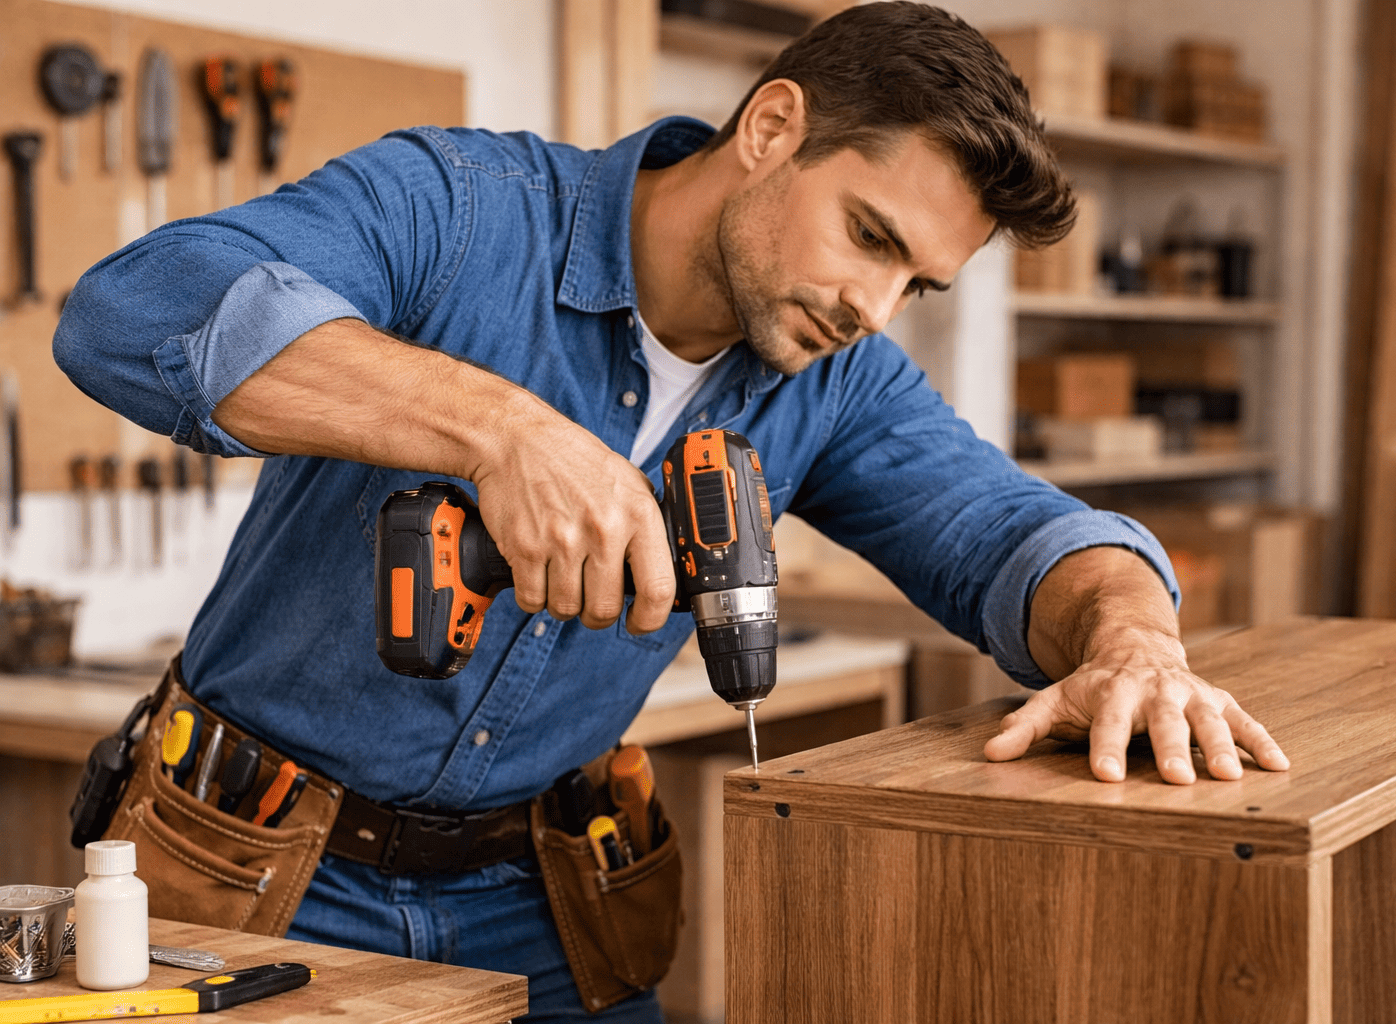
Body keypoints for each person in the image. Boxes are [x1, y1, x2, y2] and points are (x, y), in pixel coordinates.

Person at [55, 3, 1288, 1020]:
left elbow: (1016, 536)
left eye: (917, 280)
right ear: (772, 125)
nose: (874, 303)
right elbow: (128, 310)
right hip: (249, 870)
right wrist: (500, 429)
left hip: (544, 897)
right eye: (868, 235)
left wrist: (1133, 642)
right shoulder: (461, 209)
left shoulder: (838, 379)